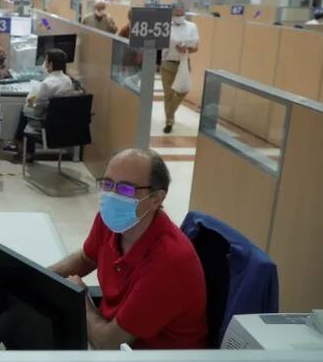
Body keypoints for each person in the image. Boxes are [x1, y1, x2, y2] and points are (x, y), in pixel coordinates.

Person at [49, 149, 208, 350]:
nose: (112, 196)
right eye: (107, 184)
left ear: (156, 199)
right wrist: (38, 277)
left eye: (126, 189)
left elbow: (108, 342)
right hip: (113, 332)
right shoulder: (111, 222)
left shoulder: (170, 260)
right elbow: (85, 258)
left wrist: (79, 298)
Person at [7, 49, 79, 163]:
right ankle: (17, 143)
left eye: (45, 61)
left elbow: (37, 108)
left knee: (25, 110)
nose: (43, 63)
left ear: (50, 64)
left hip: (46, 122)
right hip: (60, 121)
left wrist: (30, 100)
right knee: (26, 110)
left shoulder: (47, 83)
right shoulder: (67, 80)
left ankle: (25, 150)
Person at [160, 3, 199, 134]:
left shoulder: (192, 27)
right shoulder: (165, 26)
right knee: (168, 94)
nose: (179, 16)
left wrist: (186, 48)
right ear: (172, 14)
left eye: (182, 14)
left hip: (184, 63)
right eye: (177, 14)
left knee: (184, 90)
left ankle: (170, 112)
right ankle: (169, 122)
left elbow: (196, 47)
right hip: (167, 63)